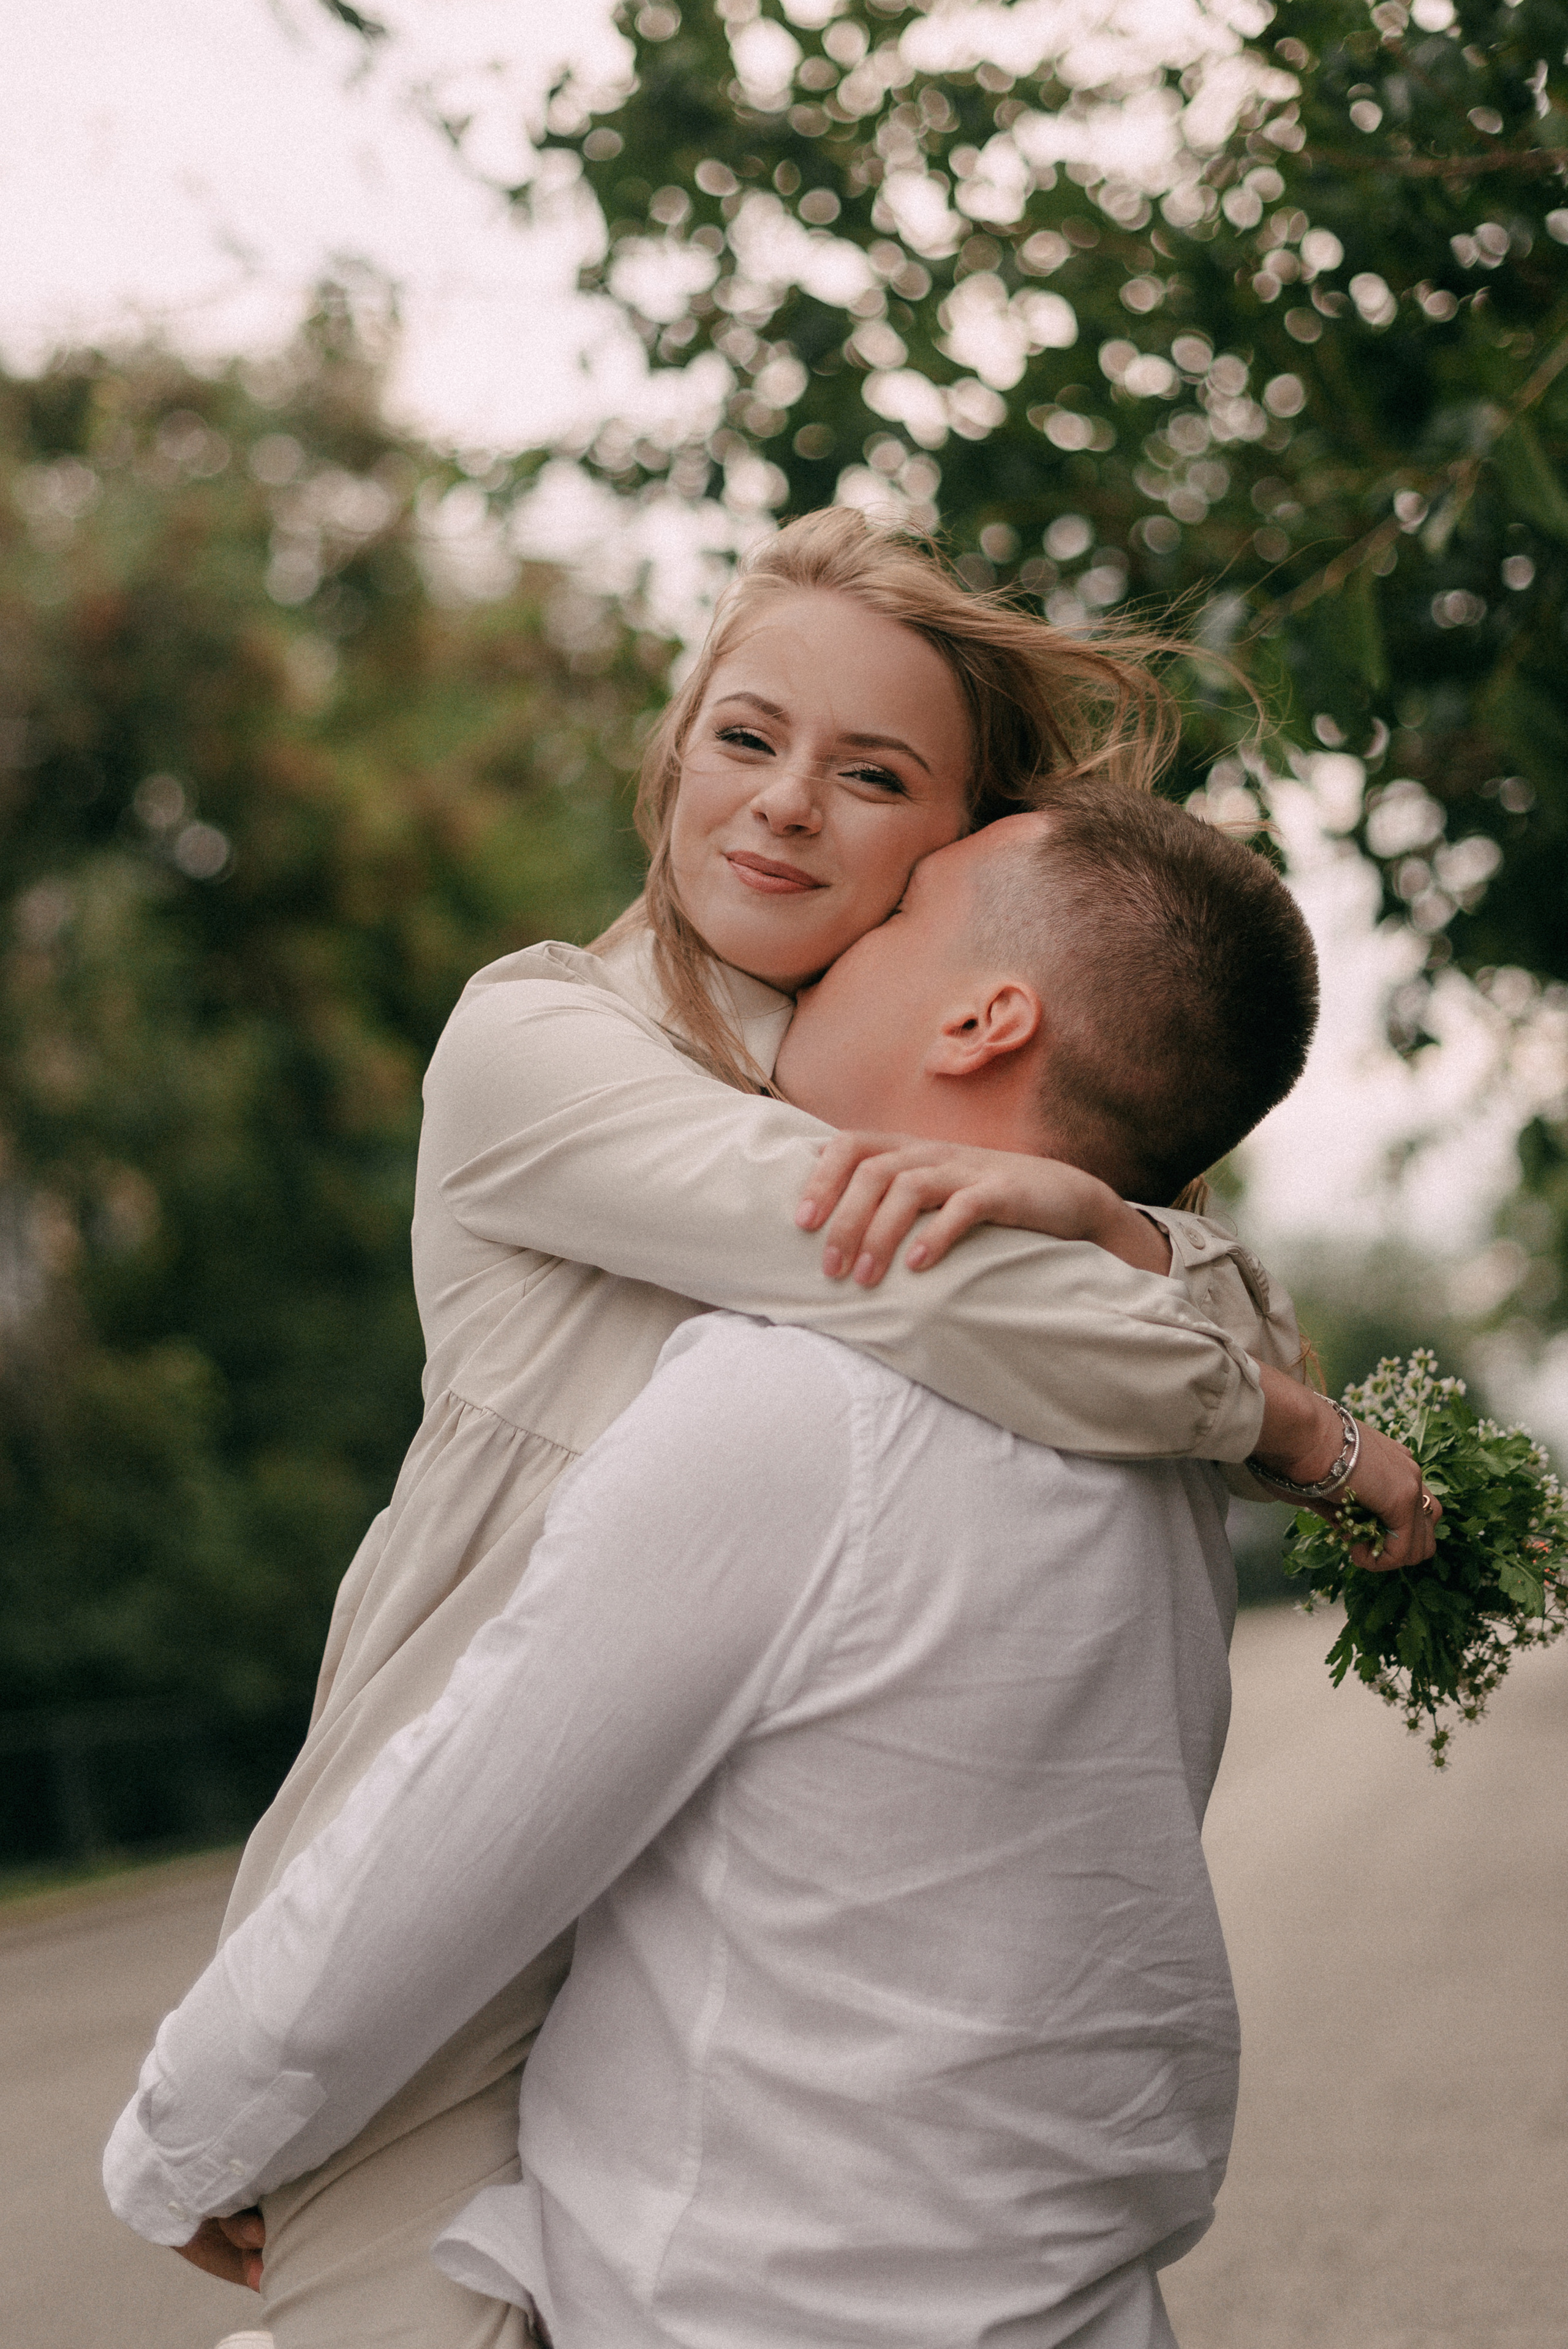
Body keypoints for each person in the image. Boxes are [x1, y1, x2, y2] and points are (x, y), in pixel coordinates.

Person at [147, 512, 1430, 2347]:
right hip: (453, 1892)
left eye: (873, 776)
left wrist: (1120, 1219)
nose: (784, 805)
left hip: (671, 1913)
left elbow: (1141, 1294)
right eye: (745, 737)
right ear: (674, 751)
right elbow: (934, 1289)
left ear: (958, 840)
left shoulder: (887, 1052)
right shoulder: (545, 1050)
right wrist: (1282, 1414)